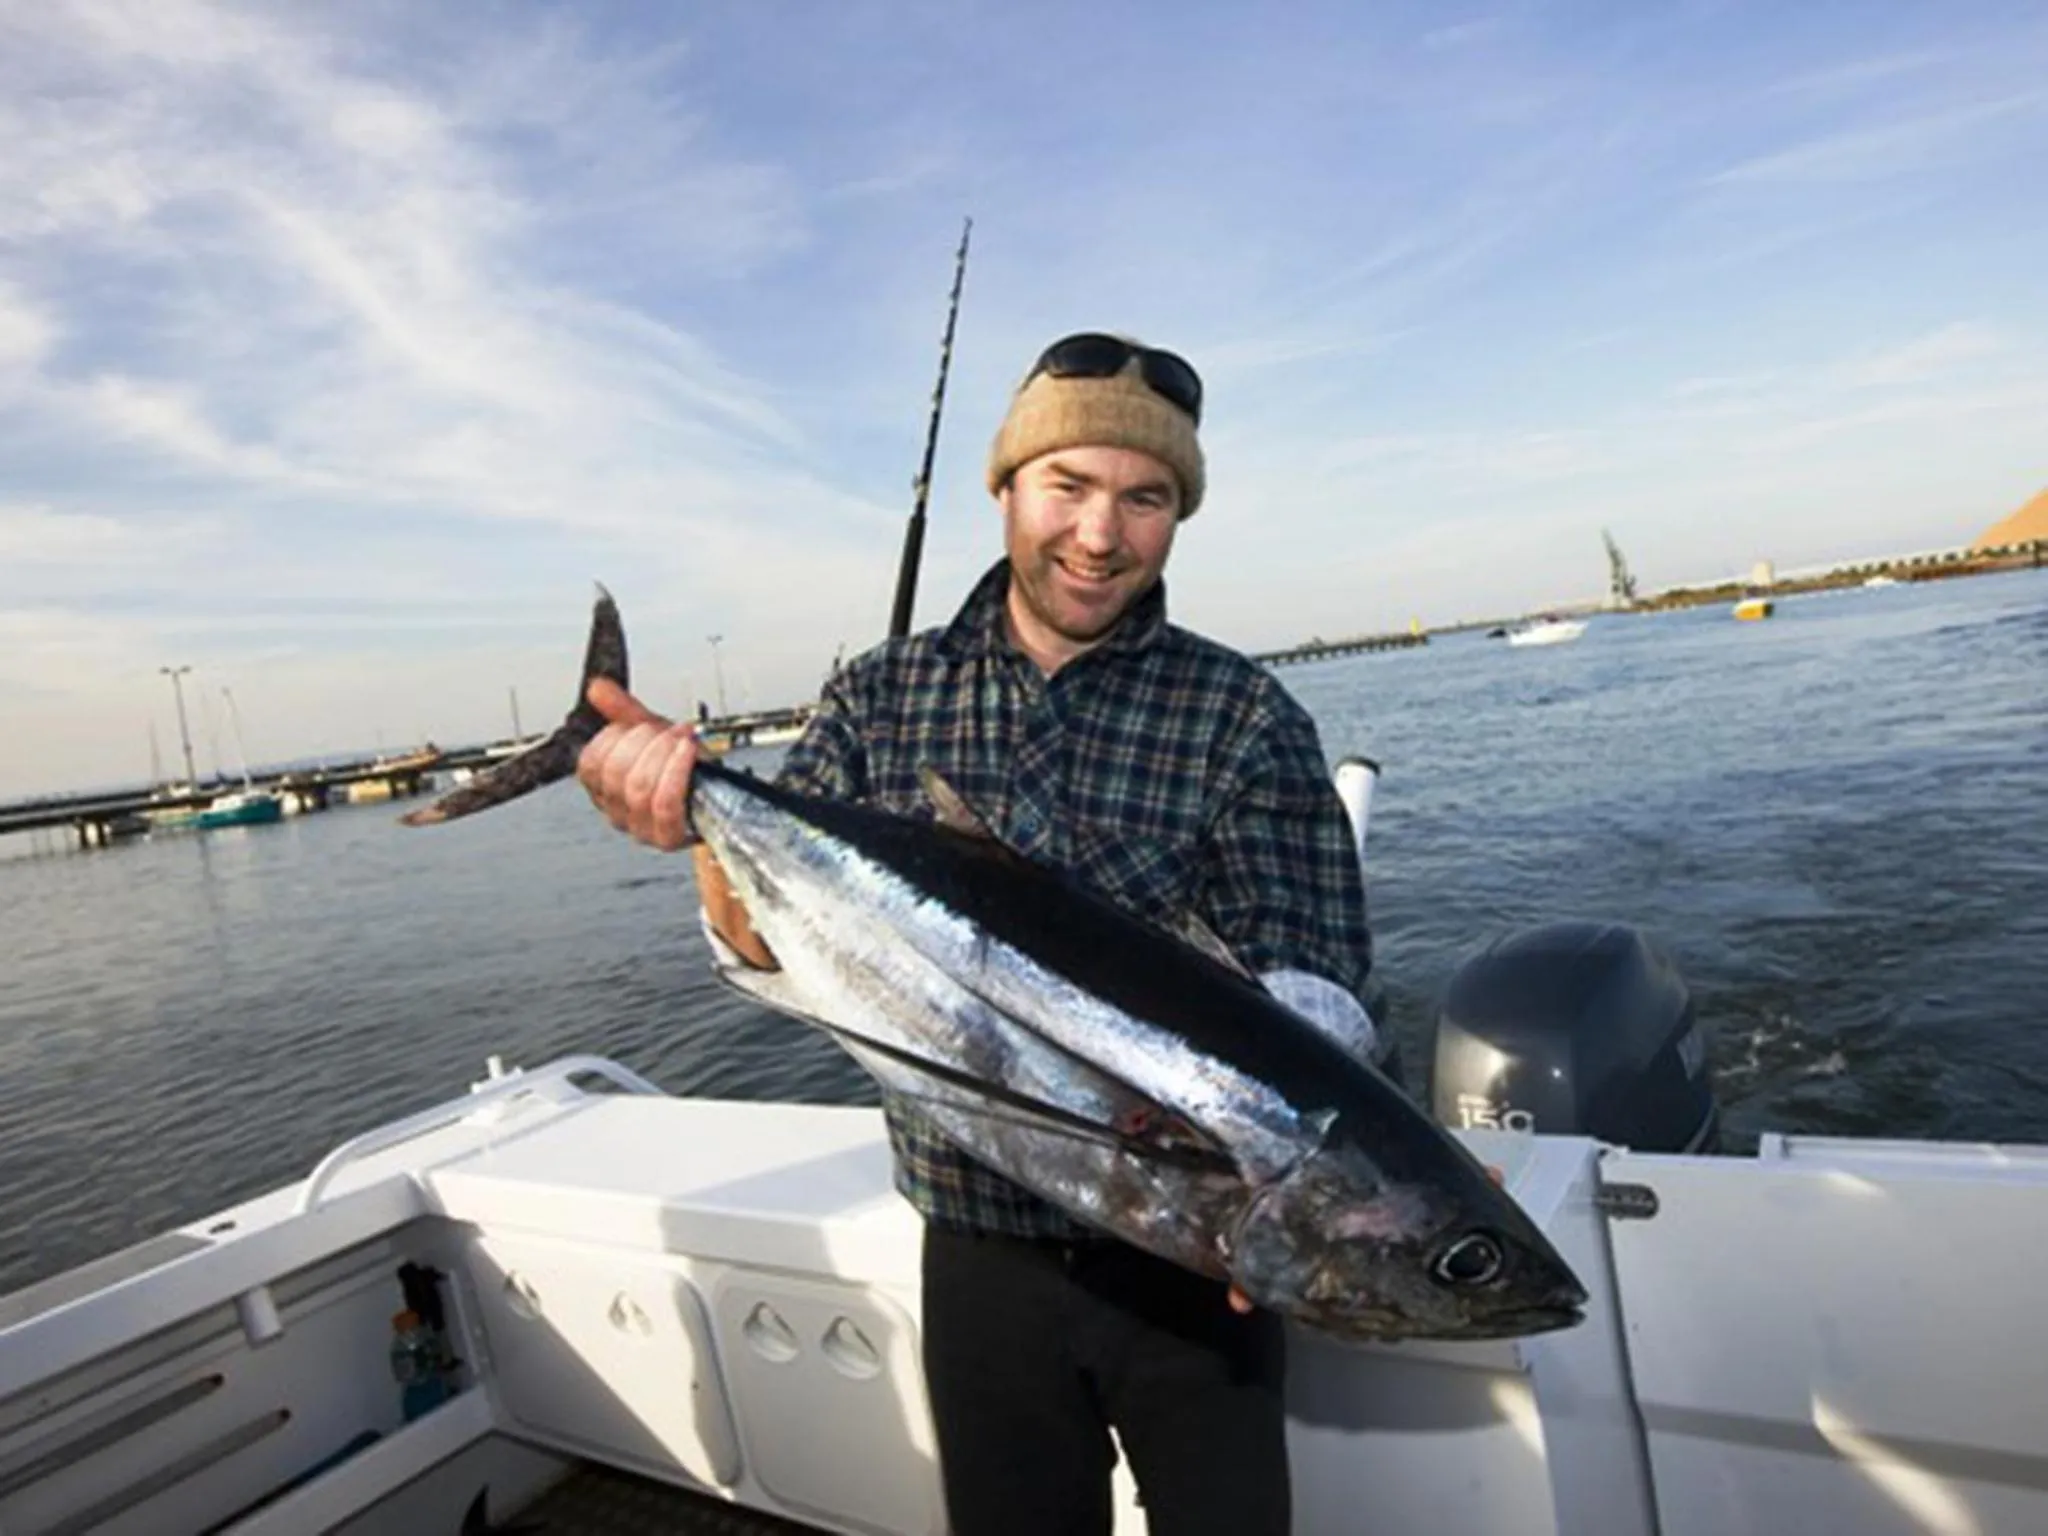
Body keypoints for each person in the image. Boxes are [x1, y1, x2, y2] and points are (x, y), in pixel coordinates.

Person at [576, 331, 1377, 1535]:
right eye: (1065, 486)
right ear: (1004, 489)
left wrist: (1338, 1181)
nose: (1100, 535)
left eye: (1144, 498)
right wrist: (693, 819)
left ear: (1176, 517)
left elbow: (1307, 986)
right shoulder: (878, 696)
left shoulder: (1241, 715)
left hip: (1190, 1265)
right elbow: (767, 950)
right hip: (975, 1250)